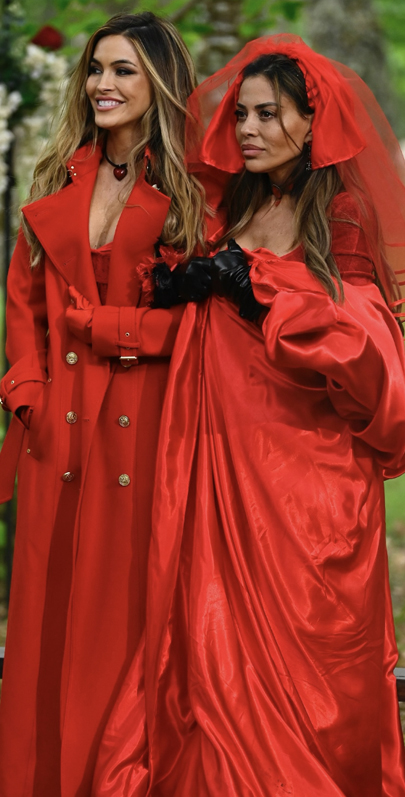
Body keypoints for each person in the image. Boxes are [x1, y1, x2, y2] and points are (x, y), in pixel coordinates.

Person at [92, 35, 405, 796]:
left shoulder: (342, 215)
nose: (249, 130)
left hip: (304, 486)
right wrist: (185, 284)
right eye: (241, 115)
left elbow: (371, 358)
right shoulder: (237, 203)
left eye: (270, 114)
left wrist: (258, 293)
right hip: (216, 464)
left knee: (308, 665)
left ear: (313, 122)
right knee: (209, 656)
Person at [0, 12, 215, 797]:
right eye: (95, 68)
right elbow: (23, 298)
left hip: (142, 426)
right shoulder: (59, 175)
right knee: (45, 614)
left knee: (116, 618)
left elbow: (209, 322)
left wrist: (117, 329)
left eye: (123, 70)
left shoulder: (194, 189)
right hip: (56, 428)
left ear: (158, 81)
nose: (102, 84)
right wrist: (26, 390)